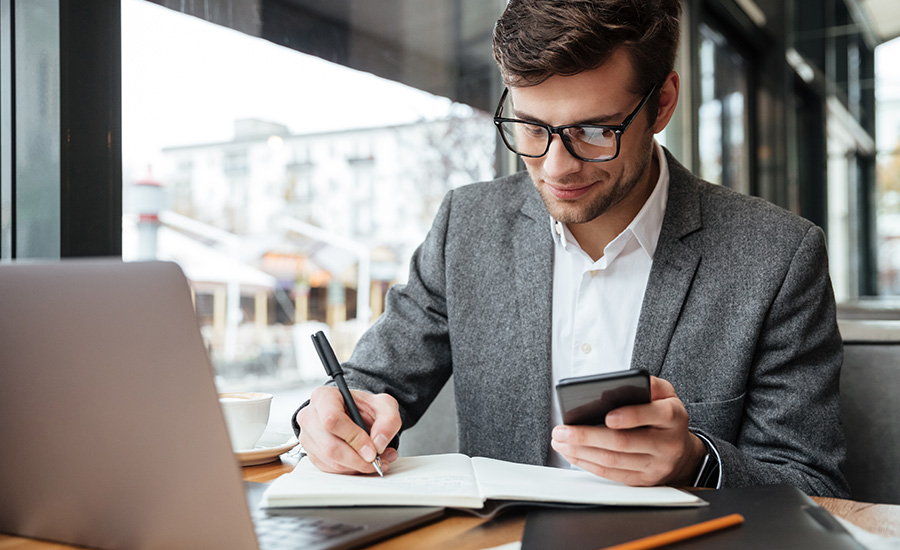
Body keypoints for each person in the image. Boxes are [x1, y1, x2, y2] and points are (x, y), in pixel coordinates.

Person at [293, 0, 848, 497]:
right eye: (532, 128)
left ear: (663, 105)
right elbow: (371, 384)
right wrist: (329, 416)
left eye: (595, 131)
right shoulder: (467, 225)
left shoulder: (777, 257)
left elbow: (813, 485)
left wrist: (696, 461)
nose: (556, 167)